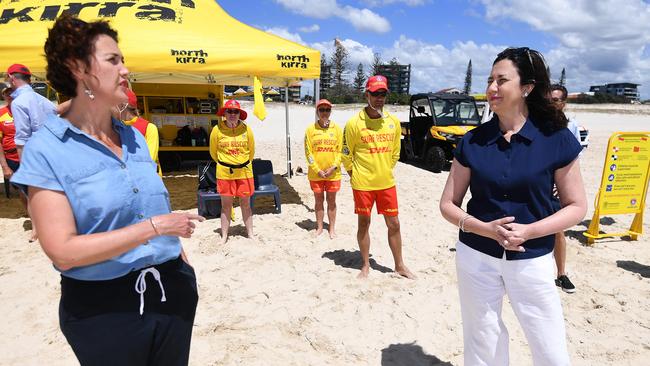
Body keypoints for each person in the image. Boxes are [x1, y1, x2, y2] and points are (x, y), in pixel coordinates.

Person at [10, 14, 204, 365]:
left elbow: (148, 205)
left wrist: (181, 267)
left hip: (170, 289)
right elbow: (63, 251)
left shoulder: (133, 137)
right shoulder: (46, 149)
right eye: (113, 60)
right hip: (103, 310)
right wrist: (156, 228)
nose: (125, 69)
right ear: (78, 68)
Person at [439, 47, 587, 365]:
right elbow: (448, 205)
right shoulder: (472, 141)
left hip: (532, 259)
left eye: (502, 80)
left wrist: (530, 230)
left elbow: (576, 206)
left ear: (527, 87)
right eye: (490, 79)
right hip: (475, 256)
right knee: (483, 341)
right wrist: (484, 229)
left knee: (549, 348)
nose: (492, 88)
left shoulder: (557, 139)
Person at [342, 75, 415, 279]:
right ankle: (365, 265)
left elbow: (395, 153)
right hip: (362, 184)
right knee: (364, 224)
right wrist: (353, 174)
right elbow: (346, 153)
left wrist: (383, 170)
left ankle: (399, 265)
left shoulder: (392, 122)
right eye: (375, 94)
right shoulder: (354, 123)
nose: (379, 98)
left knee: (394, 224)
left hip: (386, 183)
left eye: (383, 94)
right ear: (367, 94)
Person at [209, 99, 255, 244]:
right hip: (224, 173)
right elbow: (213, 152)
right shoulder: (217, 130)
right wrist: (226, 162)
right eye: (229, 111)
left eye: (236, 112)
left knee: (246, 204)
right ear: (224, 113)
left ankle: (251, 234)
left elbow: (252, 151)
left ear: (239, 114)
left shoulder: (247, 129)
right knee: (226, 205)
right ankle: (224, 236)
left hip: (245, 172)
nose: (232, 114)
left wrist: (241, 162)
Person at [551, 83, 580, 293]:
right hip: (539, 184)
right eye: (548, 100)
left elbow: (573, 161)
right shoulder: (534, 123)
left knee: (557, 230)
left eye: (556, 100)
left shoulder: (571, 127)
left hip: (558, 187)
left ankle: (561, 274)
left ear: (563, 103)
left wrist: (562, 186)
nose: (551, 104)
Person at [304, 99, 342, 238]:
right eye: (322, 110)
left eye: (327, 110)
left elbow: (341, 151)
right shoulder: (310, 130)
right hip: (316, 174)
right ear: (317, 111)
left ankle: (332, 229)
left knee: (331, 201)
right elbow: (308, 152)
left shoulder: (337, 129)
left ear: (330, 112)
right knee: (318, 201)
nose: (324, 112)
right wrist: (317, 169)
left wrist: (333, 167)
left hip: (333, 173)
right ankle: (319, 227)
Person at [120, 88, 162, 176]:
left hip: (147, 178)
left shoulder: (149, 128)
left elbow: (149, 159)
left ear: (123, 105)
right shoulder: (115, 127)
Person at [0, 86, 27, 208]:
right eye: (7, 94)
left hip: (30, 156)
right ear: (3, 96)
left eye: (12, 92)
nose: (10, 96)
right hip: (12, 158)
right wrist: (5, 166)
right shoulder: (1, 114)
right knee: (21, 188)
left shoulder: (27, 109)